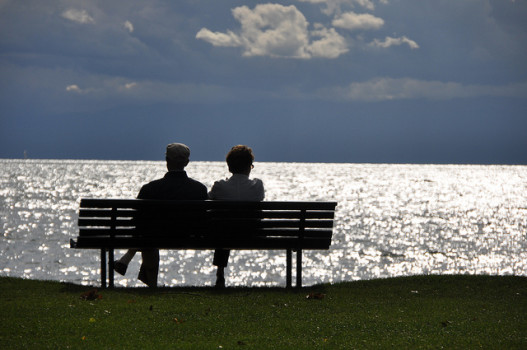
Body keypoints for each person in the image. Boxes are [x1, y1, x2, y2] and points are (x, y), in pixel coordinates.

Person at [114, 143, 207, 287]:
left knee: (147, 233)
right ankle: (132, 266)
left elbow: (137, 221)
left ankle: (146, 278)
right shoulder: (199, 189)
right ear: (187, 163)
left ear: (167, 161)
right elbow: (203, 220)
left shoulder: (150, 189)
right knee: (149, 233)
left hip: (154, 236)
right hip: (190, 237)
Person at [208, 145, 265, 288]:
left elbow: (209, 200)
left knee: (223, 226)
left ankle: (220, 272)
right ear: (249, 167)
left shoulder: (219, 186)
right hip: (252, 234)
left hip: (223, 235)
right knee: (229, 226)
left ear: (229, 167)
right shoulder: (257, 186)